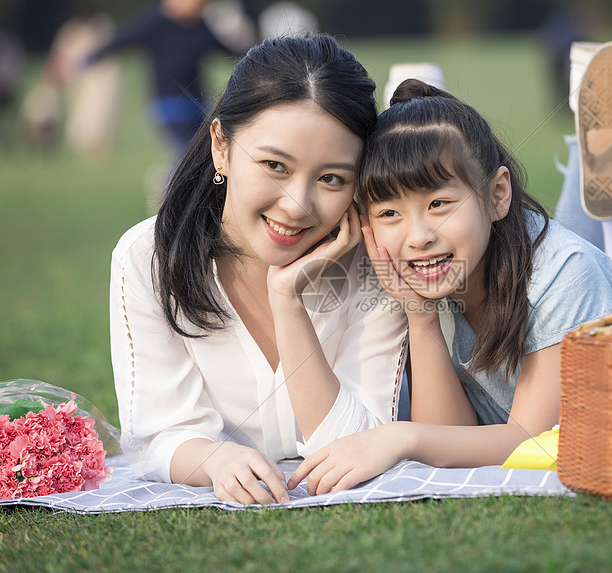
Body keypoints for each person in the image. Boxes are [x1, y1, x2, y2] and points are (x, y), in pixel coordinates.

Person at [286, 41, 612, 495]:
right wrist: (420, 317)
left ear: (497, 195)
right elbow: (452, 435)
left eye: (439, 204)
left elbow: (528, 441)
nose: (418, 236)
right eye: (390, 214)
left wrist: (398, 436)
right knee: (595, 262)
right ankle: (603, 174)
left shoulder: (561, 272)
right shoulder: (425, 281)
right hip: (586, 284)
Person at [110, 34, 408, 505]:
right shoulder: (148, 256)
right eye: (275, 165)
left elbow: (354, 447)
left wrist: (287, 301)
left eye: (332, 178)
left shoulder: (378, 263)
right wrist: (215, 460)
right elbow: (157, 434)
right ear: (221, 147)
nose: (297, 205)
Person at [84, 0, 252, 156]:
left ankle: (173, 181)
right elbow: (122, 39)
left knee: (208, 152)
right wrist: (91, 57)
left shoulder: (201, 27)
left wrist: (257, 55)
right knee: (189, 154)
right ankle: (173, 184)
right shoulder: (155, 23)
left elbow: (228, 51)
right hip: (169, 104)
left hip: (197, 103)